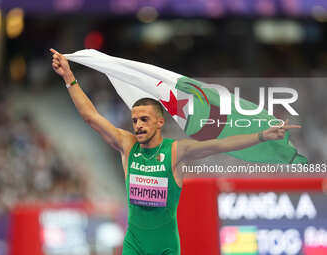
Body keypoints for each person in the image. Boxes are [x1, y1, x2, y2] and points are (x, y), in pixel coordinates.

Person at [50, 48, 301, 255]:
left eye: (144, 119)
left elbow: (220, 144)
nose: (137, 125)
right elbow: (91, 117)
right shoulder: (127, 145)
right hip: (133, 246)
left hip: (166, 247)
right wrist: (69, 77)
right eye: (135, 120)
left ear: (160, 122)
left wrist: (260, 136)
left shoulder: (176, 151)